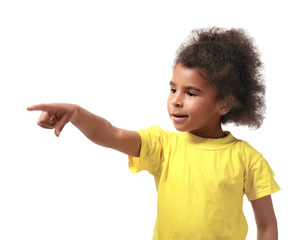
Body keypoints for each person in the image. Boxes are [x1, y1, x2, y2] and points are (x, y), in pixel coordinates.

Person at [28, 27, 280, 240]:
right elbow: (111, 134)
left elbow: (267, 225)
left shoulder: (248, 159)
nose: (176, 101)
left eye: (191, 93)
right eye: (173, 90)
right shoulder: (163, 146)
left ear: (224, 104)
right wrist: (77, 114)